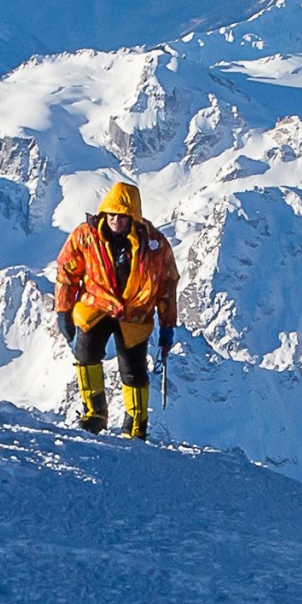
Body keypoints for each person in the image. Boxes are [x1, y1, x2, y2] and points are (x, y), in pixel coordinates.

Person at [53, 180, 178, 439]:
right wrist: (63, 309)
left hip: (135, 313)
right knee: (85, 354)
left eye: (121, 216)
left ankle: (135, 426)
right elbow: (67, 271)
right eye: (111, 215)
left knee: (133, 370)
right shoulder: (86, 236)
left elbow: (167, 285)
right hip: (96, 305)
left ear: (132, 216)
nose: (115, 221)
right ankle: (94, 413)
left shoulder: (154, 244)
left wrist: (168, 326)